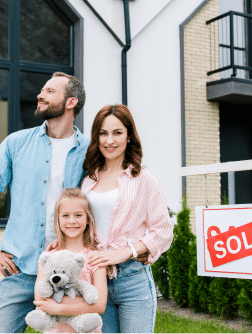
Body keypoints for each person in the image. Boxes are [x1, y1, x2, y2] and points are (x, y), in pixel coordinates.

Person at [0, 72, 89, 333]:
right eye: (42, 90)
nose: (40, 95)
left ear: (71, 102)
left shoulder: (90, 150)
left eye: (49, 91)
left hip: (71, 271)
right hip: (19, 271)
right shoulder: (16, 143)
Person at [82, 104, 173, 333]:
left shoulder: (144, 179)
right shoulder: (88, 181)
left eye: (117, 132)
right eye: (103, 133)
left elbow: (163, 231)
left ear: (129, 136)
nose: (109, 140)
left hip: (133, 279)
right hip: (97, 279)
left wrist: (127, 252)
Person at [34, 188, 107, 333]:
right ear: (58, 219)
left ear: (87, 219)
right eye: (65, 215)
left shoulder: (96, 258)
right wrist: (85, 304)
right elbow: (40, 300)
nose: (72, 221)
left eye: (78, 215)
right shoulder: (48, 257)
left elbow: (100, 305)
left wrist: (58, 308)